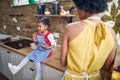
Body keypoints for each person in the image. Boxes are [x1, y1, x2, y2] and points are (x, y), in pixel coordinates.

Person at [60, 0, 117, 80]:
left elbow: (63, 62)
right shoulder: (112, 33)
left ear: (82, 7)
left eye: (77, 8)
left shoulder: (70, 28)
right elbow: (107, 66)